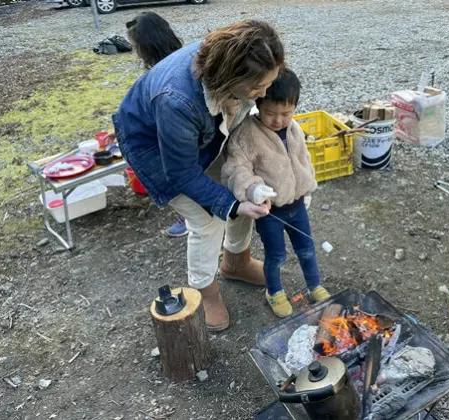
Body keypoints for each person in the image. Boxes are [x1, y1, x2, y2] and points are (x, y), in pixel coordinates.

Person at [112, 20, 285, 331]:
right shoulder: (176, 99)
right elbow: (180, 171)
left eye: (269, 83)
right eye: (258, 88)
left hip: (206, 127)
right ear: (230, 79)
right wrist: (227, 205)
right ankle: (206, 292)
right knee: (207, 218)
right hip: (151, 143)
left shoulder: (240, 63)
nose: (265, 93)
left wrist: (241, 194)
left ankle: (236, 263)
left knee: (245, 188)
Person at [221, 69, 330, 318]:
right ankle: (274, 291)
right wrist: (252, 188)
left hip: (297, 204)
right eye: (271, 113)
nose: (279, 120)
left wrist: (306, 187)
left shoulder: (294, 130)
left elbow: (303, 160)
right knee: (276, 254)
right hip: (270, 211)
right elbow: (236, 167)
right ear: (259, 103)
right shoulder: (248, 133)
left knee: (307, 249)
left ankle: (315, 285)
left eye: (286, 113)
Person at [125, 12, 188, 237]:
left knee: (178, 166)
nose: (136, 52)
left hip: (182, 131)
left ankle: (190, 217)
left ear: (147, 44)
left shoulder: (165, 72)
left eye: (136, 46)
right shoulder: (181, 54)